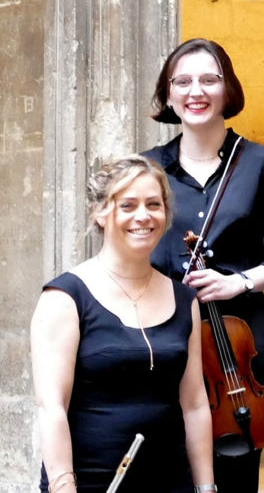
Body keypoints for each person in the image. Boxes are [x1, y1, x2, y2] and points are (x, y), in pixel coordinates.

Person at [143, 38, 264, 493]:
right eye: (183, 81)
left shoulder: (262, 163)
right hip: (167, 334)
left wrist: (240, 282)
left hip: (242, 341)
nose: (196, 91)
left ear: (228, 89)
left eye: (210, 79)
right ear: (168, 94)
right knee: (169, 468)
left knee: (236, 473)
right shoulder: (149, 168)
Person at [31, 155, 215, 492]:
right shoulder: (64, 298)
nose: (143, 216)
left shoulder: (184, 299)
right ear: (99, 212)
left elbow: (195, 405)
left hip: (171, 482)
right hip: (90, 483)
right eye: (128, 205)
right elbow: (52, 408)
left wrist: (206, 488)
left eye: (153, 204)